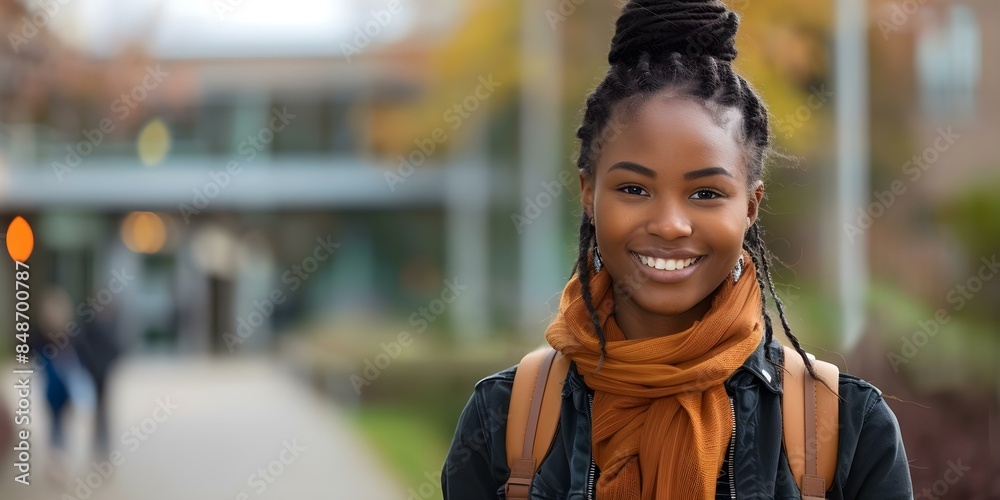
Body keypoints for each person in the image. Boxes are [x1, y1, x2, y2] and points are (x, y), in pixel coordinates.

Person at [441, 1, 912, 498]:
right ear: (588, 193)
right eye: (634, 189)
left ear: (751, 206)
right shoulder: (507, 418)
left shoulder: (846, 429)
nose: (669, 225)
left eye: (706, 193)